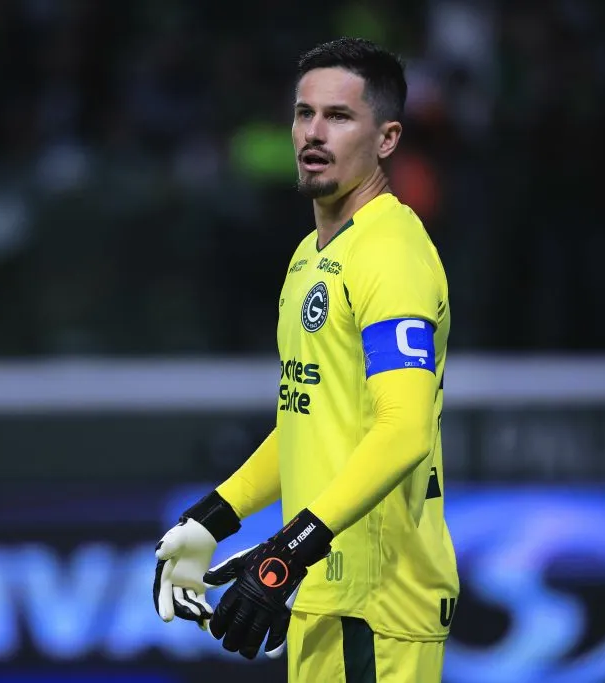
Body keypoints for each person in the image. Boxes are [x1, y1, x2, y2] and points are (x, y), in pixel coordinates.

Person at [153, 37, 459, 682]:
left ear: (387, 138)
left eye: (340, 117)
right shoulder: (309, 258)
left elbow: (401, 429)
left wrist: (283, 557)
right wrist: (215, 516)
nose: (314, 133)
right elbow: (305, 419)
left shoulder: (391, 253)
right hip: (328, 592)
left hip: (376, 601)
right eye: (303, 114)